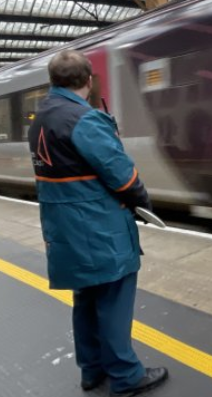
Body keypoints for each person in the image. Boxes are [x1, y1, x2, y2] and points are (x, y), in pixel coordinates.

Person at [28, 50, 168, 397]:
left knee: (86, 299)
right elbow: (122, 177)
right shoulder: (83, 119)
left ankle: (92, 371)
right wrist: (142, 203)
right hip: (98, 228)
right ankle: (126, 376)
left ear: (53, 81)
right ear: (88, 82)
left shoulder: (40, 119)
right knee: (113, 300)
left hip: (63, 228)